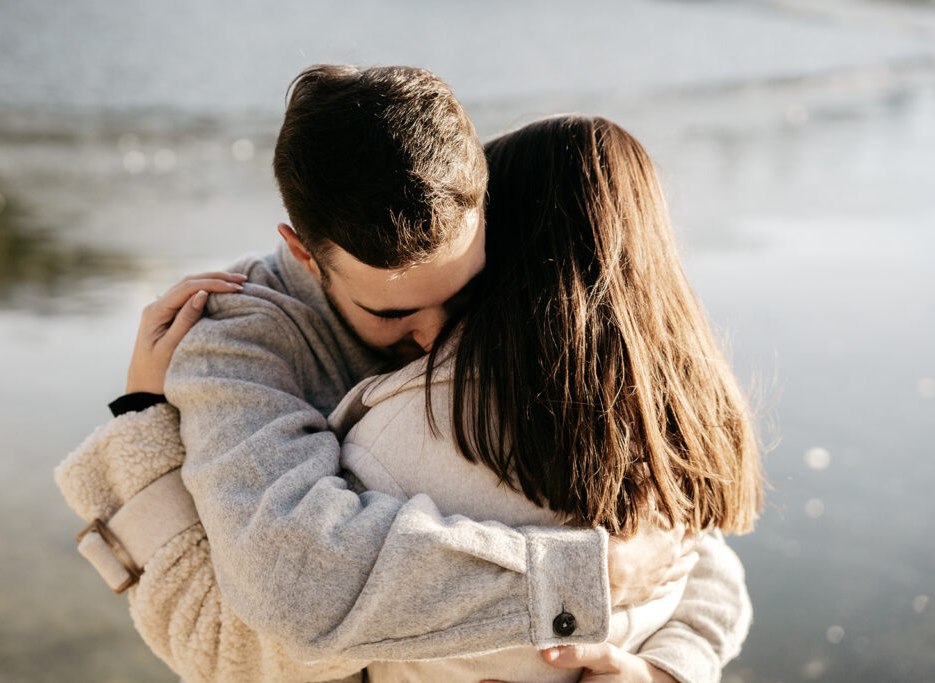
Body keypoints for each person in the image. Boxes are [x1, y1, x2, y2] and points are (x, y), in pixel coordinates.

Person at [56, 65, 748, 682]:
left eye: (465, 296)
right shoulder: (238, 338)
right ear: (303, 252)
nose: (442, 334)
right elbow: (291, 582)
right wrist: (583, 578)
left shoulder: (501, 274)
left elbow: (688, 543)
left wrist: (660, 670)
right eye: (393, 312)